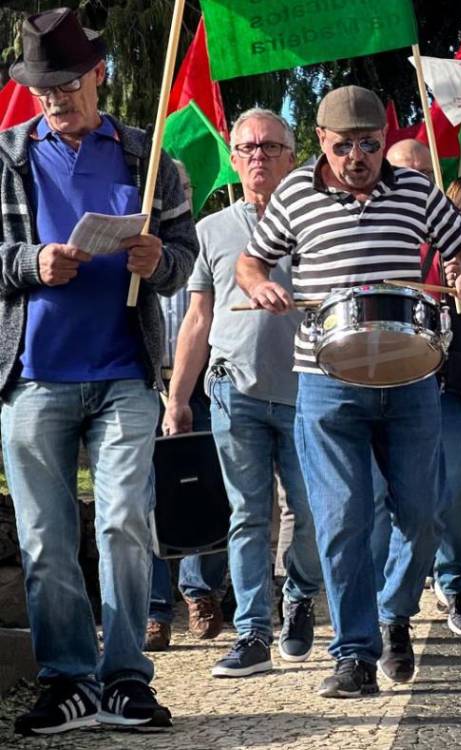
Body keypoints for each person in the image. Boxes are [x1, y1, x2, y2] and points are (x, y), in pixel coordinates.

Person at [236, 85, 461, 698]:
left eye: (370, 144)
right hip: (327, 380)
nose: (359, 156)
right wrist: (259, 286)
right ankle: (352, 654)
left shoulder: (416, 190)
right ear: (321, 141)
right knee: (343, 517)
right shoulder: (295, 192)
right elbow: (252, 261)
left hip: (411, 375)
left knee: (424, 514)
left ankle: (393, 613)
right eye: (345, 145)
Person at [0, 8, 196, 734]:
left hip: (124, 373)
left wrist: (160, 262)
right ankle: (67, 681)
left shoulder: (151, 158)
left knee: (122, 521)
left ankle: (126, 679)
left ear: (99, 76)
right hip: (32, 376)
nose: (57, 99)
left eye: (69, 85)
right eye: (43, 88)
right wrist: (30, 262)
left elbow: (183, 253)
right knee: (46, 538)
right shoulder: (4, 156)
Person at [158, 108, 326, 679]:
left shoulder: (319, 221)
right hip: (236, 392)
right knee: (248, 514)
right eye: (247, 147)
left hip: (309, 391)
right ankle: (253, 631)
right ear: (234, 158)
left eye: (271, 146)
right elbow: (196, 319)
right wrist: (178, 398)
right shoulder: (212, 230)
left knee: (307, 511)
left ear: (293, 155)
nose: (258, 155)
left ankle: (300, 595)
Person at [372, 140, 461, 638]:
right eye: (405, 169)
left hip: (451, 379)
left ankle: (454, 580)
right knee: (389, 492)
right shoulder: (374, 229)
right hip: (391, 376)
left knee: (456, 486)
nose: (416, 178)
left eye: (425, 171)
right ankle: (392, 592)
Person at [146, 160, 227, 651]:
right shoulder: (132, 246)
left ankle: (200, 592)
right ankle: (155, 610)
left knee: (212, 488)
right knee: (148, 496)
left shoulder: (205, 240)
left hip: (202, 383)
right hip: (145, 382)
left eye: (184, 185)